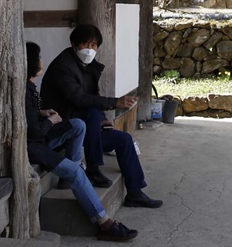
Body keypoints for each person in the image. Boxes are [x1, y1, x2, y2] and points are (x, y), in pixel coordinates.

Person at [41, 24, 163, 209]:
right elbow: (79, 99)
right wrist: (115, 102)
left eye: (94, 45)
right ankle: (93, 168)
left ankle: (135, 192)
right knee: (90, 114)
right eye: (85, 44)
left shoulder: (88, 66)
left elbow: (94, 98)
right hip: (65, 125)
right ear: (74, 44)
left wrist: (105, 119)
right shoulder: (63, 66)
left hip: (88, 127)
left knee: (124, 140)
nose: (90, 49)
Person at [26, 42, 137, 241]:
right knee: (77, 171)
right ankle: (104, 223)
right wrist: (50, 121)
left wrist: (42, 113)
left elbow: (29, 116)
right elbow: (31, 132)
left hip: (40, 137)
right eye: (39, 57)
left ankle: (70, 175)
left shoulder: (29, 87)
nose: (42, 60)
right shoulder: (34, 84)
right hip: (32, 147)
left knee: (78, 125)